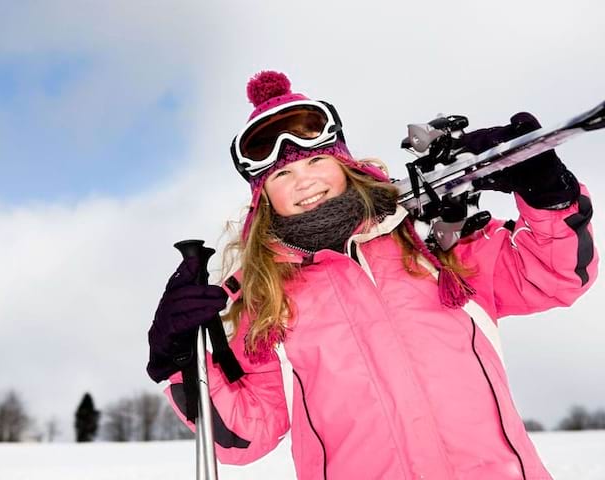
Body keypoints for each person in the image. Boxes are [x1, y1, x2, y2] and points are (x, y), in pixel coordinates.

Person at [146, 71, 598, 479]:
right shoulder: (264, 297)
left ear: (344, 165)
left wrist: (548, 194)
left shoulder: (431, 242)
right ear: (263, 197)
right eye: (283, 175)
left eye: (315, 162)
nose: (304, 182)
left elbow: (553, 277)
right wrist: (179, 361)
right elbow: (246, 435)